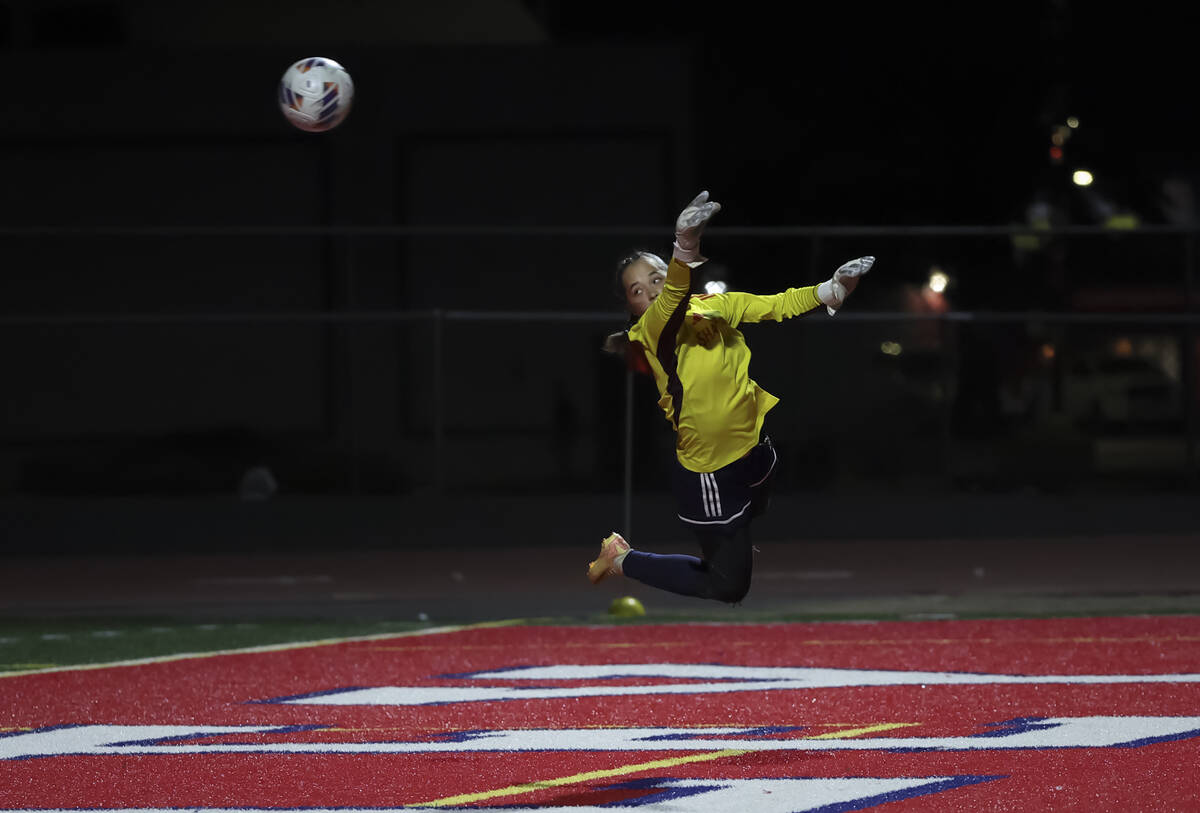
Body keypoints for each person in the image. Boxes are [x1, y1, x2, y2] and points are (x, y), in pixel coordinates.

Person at [588, 191, 874, 604]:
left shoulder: (715, 305)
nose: (649, 291)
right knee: (729, 587)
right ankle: (623, 559)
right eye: (636, 290)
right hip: (710, 471)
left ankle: (734, 533)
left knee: (755, 507)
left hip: (754, 451)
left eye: (655, 277)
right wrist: (685, 247)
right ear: (632, 307)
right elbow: (671, 301)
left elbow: (776, 305)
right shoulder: (649, 330)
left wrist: (831, 290)